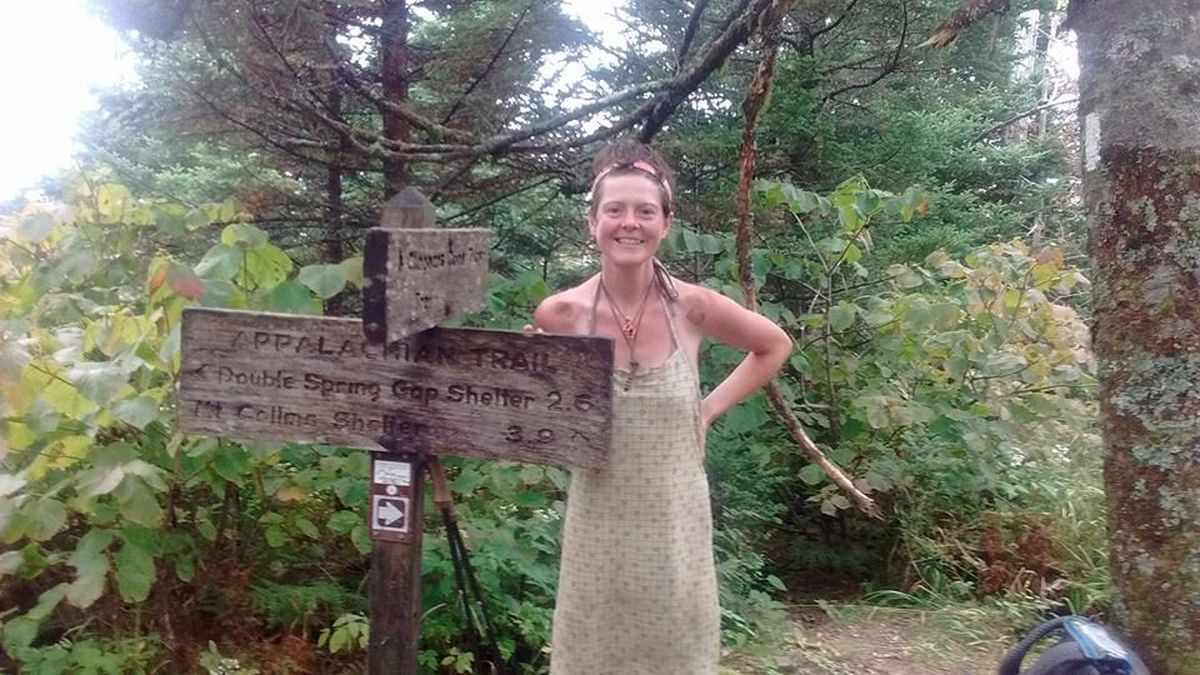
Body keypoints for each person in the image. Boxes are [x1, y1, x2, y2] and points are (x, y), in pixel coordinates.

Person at [532, 140, 792, 675]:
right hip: (596, 531)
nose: (630, 223)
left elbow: (773, 345)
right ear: (593, 221)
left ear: (665, 222)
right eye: (615, 209)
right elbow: (542, 416)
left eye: (645, 210)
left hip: (674, 532)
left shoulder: (693, 307)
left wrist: (708, 408)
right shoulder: (561, 314)